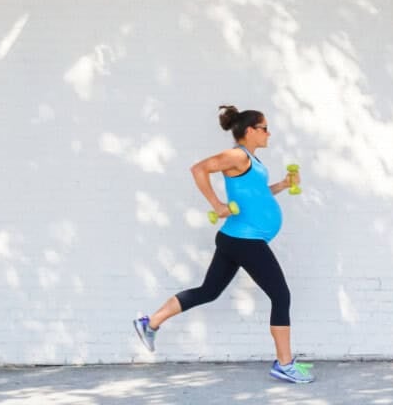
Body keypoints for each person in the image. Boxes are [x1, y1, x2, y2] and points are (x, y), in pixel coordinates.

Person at [133, 105, 314, 384]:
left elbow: (256, 195)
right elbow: (199, 169)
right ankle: (284, 364)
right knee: (281, 295)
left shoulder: (250, 160)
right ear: (250, 131)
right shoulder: (237, 155)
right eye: (265, 128)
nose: (269, 133)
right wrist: (217, 204)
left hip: (236, 238)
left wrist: (283, 184)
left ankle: (150, 322)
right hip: (245, 240)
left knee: (209, 291)